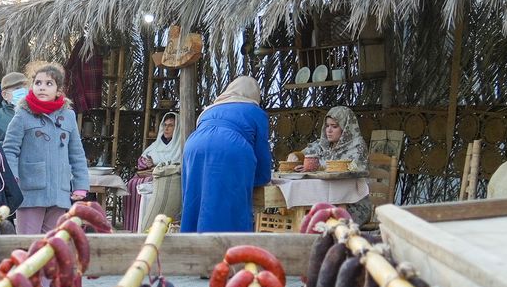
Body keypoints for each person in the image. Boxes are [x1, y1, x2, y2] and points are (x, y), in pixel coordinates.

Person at [3, 63, 88, 235]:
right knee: (28, 244)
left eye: (49, 84)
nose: (42, 87)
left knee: (52, 246)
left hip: (60, 192)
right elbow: (10, 149)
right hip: (30, 192)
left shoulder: (68, 116)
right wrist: (13, 179)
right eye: (38, 83)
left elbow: (77, 154)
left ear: (59, 90)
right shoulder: (22, 114)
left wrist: (80, 185)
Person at [180, 76, 271, 233]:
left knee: (196, 198)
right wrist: (261, 179)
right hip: (231, 146)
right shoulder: (255, 111)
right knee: (231, 202)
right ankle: (229, 247)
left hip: (194, 146)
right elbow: (262, 151)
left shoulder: (209, 109)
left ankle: (192, 244)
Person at [293, 105, 372, 224]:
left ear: (345, 128)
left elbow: (354, 169)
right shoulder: (323, 144)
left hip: (352, 205)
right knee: (306, 214)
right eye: (327, 126)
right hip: (324, 201)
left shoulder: (357, 146)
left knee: (322, 222)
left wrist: (318, 167)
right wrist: (295, 156)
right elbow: (303, 154)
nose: (329, 130)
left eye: (334, 126)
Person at [130, 112, 184, 231]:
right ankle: (133, 226)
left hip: (166, 178)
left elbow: (178, 165)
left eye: (171, 125)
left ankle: (146, 225)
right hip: (151, 174)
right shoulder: (157, 144)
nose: (167, 128)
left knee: (147, 183)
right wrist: (147, 162)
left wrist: (158, 166)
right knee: (132, 184)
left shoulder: (181, 145)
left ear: (178, 128)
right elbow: (142, 160)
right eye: (165, 125)